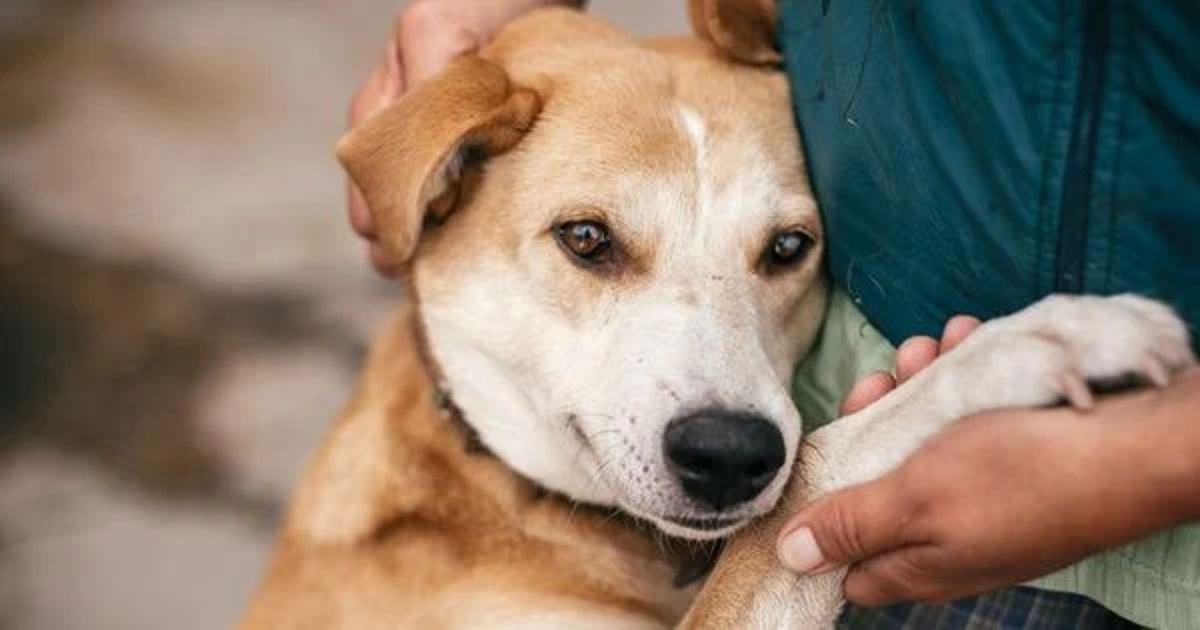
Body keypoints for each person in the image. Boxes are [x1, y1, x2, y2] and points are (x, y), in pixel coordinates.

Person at [343, 2, 1200, 628]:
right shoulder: (396, 565)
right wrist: (896, 433)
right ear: (445, 182)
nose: (719, 401)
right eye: (591, 242)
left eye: (782, 249)